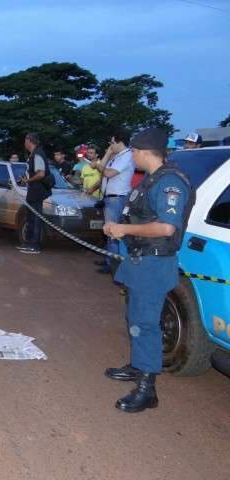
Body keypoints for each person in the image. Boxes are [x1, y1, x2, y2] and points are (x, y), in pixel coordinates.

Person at [103, 127, 193, 413]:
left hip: (153, 263)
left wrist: (122, 228)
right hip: (139, 258)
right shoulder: (151, 180)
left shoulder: (169, 183)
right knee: (135, 316)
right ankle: (138, 365)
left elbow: (166, 227)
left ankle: (147, 389)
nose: (133, 157)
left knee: (145, 323)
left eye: (134, 152)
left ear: (143, 152)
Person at [92, 132, 135, 273]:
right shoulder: (117, 156)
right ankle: (109, 259)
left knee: (113, 232)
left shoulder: (127, 156)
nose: (110, 146)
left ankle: (113, 265)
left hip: (117, 198)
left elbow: (108, 173)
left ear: (119, 142)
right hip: (110, 198)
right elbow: (101, 166)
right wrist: (109, 152)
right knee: (109, 231)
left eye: (112, 143)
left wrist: (100, 167)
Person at [16, 133, 52, 254]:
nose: (24, 143)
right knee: (31, 217)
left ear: (30, 141)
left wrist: (28, 180)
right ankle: (29, 243)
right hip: (34, 190)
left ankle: (34, 245)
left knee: (35, 218)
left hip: (37, 191)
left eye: (25, 140)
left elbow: (41, 173)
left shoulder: (37, 154)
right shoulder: (35, 154)